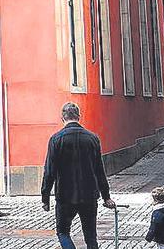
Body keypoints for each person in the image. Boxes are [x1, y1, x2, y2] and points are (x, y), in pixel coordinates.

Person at [41, 102, 116, 249]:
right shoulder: (92, 138)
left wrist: (45, 197)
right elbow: (99, 170)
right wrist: (106, 196)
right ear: (79, 117)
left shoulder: (56, 139)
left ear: (62, 117)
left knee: (63, 232)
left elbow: (49, 171)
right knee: (90, 236)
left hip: (65, 195)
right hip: (89, 195)